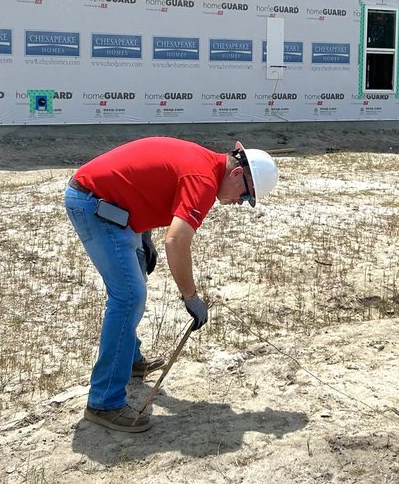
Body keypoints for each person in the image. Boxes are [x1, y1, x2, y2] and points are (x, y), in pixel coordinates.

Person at [65, 136, 279, 433]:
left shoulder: (203, 164)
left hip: (112, 207)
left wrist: (144, 234)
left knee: (133, 286)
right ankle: (104, 402)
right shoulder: (203, 180)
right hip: (94, 204)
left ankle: (129, 361)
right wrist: (190, 298)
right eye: (245, 196)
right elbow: (177, 241)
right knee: (128, 297)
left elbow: (148, 184)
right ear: (236, 173)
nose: (239, 204)